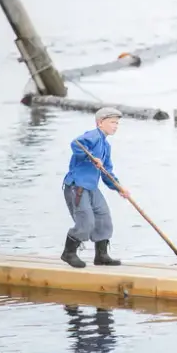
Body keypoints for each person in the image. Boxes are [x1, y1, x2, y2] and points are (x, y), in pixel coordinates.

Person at [61, 107, 130, 268]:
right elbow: (76, 144)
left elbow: (107, 172)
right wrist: (90, 157)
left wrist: (119, 187)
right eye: (112, 122)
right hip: (77, 185)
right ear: (100, 123)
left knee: (103, 217)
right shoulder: (92, 136)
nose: (115, 126)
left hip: (92, 187)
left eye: (117, 123)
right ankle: (69, 252)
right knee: (86, 221)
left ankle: (101, 255)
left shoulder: (106, 146)